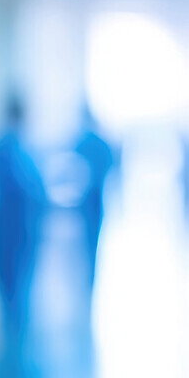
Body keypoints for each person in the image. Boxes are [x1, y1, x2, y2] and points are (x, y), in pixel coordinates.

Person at [0, 97, 47, 343]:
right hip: (16, 226)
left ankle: (14, 324)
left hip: (10, 226)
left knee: (12, 280)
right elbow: (32, 188)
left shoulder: (3, 149)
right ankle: (14, 324)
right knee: (15, 279)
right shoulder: (21, 151)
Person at [73, 116, 114, 289]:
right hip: (95, 198)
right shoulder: (100, 143)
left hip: (88, 199)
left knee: (86, 238)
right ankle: (90, 272)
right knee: (93, 238)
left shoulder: (83, 143)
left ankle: (86, 274)